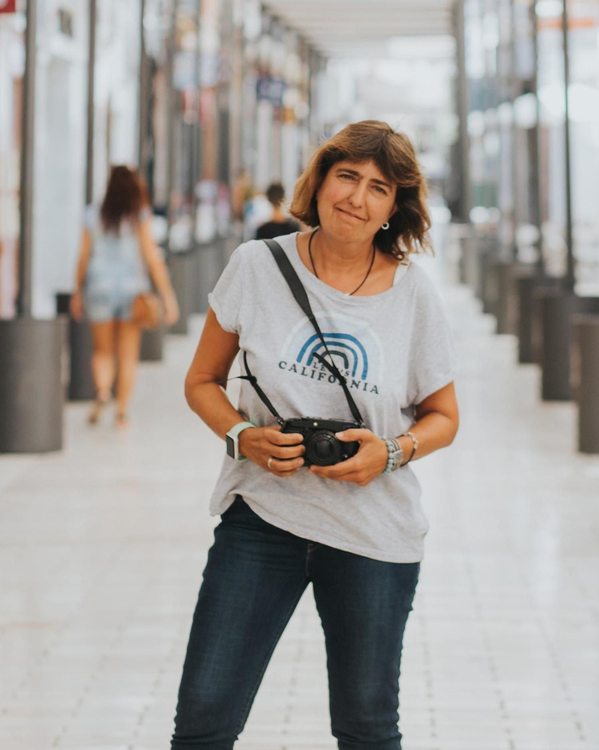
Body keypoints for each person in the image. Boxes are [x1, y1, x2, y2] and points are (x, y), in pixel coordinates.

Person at [174, 121, 460, 749]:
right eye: (347, 177)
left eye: (378, 188)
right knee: (203, 720)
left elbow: (444, 417)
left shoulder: (412, 295)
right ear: (321, 180)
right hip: (262, 518)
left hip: (373, 533)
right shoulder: (257, 265)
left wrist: (390, 452)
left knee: (366, 729)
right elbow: (201, 381)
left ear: (395, 207)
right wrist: (242, 435)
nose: (357, 198)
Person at [70, 166, 179, 427]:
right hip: (132, 290)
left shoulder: (92, 214)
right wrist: (167, 296)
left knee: (102, 350)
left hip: (99, 287)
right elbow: (152, 257)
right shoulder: (139, 215)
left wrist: (77, 291)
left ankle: (103, 390)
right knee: (128, 354)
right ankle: (121, 412)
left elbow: (84, 257)